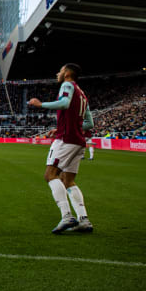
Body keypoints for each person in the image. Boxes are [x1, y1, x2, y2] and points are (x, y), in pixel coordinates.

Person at [28, 63, 95, 234]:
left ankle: (66, 215)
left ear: (67, 73)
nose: (58, 72)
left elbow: (64, 103)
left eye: (60, 70)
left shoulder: (67, 85)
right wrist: (63, 127)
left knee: (50, 175)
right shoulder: (82, 95)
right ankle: (83, 219)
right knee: (68, 180)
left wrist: (40, 104)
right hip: (78, 141)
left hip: (66, 140)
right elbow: (89, 123)